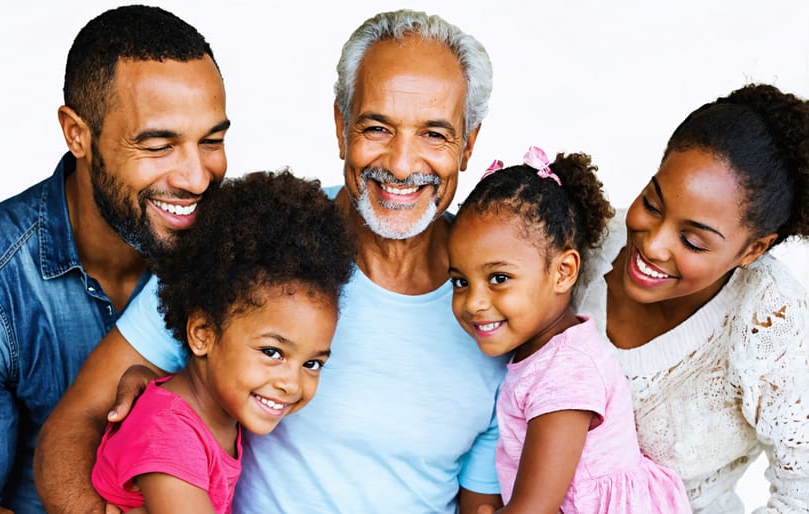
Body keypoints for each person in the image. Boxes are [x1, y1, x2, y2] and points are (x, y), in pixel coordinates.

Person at [35, 9, 508, 514]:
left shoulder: (502, 297)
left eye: (435, 134)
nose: (400, 163)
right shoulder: (257, 245)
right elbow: (76, 421)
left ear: (469, 142)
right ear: (340, 125)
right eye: (377, 128)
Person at [0, 5, 229, 513]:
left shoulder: (233, 247)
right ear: (77, 133)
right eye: (158, 145)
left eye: (212, 141)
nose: (195, 177)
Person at [572, 83, 809, 513]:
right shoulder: (586, 251)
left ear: (753, 250)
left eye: (694, 241)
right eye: (652, 203)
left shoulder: (771, 323)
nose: (654, 244)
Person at [91, 170, 355, 512]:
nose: (291, 383)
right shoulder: (169, 435)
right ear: (203, 334)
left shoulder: (217, 411)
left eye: (312, 363)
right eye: (272, 352)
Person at [448, 147, 691, 513]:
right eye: (460, 282)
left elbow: (534, 508)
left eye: (498, 278)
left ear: (563, 272)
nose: (473, 302)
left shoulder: (566, 371)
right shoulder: (544, 354)